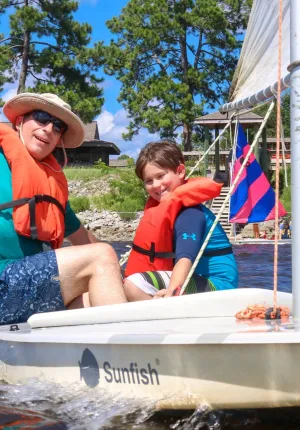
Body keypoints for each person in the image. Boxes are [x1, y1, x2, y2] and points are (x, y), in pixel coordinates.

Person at [0, 92, 127, 325]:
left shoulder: (50, 187)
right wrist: (104, 258)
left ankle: (107, 357)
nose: (48, 129)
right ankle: (126, 353)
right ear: (19, 122)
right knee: (103, 256)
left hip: (26, 288)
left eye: (57, 126)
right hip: (4, 281)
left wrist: (117, 272)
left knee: (100, 289)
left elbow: (84, 241)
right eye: (40, 118)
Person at [123, 140, 238, 301]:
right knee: (116, 288)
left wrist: (173, 291)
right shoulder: (166, 210)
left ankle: (160, 322)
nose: (156, 185)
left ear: (180, 171)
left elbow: (185, 257)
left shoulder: (190, 213)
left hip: (217, 287)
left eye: (161, 176)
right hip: (192, 279)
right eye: (149, 181)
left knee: (134, 284)